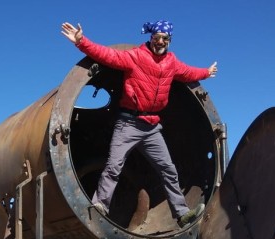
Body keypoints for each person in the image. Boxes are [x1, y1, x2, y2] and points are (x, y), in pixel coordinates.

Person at [61, 20, 218, 227]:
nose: (159, 42)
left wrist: (206, 72)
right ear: (150, 38)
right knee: (114, 166)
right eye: (156, 38)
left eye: (164, 39)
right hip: (129, 123)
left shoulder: (172, 63)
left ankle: (181, 214)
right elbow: (107, 55)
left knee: (168, 169)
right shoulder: (135, 56)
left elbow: (188, 73)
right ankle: (100, 205)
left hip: (152, 127)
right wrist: (81, 42)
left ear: (169, 41)